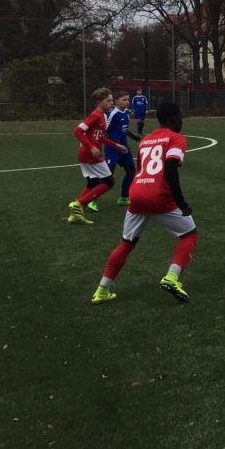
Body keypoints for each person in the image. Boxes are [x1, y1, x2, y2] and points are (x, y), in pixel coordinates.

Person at [90, 102, 198, 304]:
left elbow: (141, 170)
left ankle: (102, 290)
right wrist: (181, 203)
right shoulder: (176, 138)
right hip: (160, 196)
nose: (182, 122)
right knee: (189, 235)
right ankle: (172, 277)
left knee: (126, 243)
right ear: (173, 119)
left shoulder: (146, 140)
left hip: (137, 193)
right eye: (181, 118)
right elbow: (170, 168)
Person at [68, 88, 127, 225]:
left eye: (112, 100)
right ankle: (79, 204)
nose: (111, 103)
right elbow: (77, 131)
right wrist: (92, 147)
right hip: (90, 154)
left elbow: (100, 137)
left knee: (93, 183)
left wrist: (115, 145)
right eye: (108, 101)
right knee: (109, 182)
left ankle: (75, 214)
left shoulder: (103, 116)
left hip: (86, 153)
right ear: (99, 102)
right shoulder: (95, 115)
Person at [104, 91, 143, 206]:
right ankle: (93, 199)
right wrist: (113, 142)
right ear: (116, 101)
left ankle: (124, 198)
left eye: (128, 100)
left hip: (124, 147)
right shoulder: (112, 114)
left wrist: (133, 137)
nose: (127, 102)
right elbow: (104, 131)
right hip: (113, 147)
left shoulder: (126, 112)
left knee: (131, 171)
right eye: (124, 100)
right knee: (108, 174)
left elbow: (124, 129)